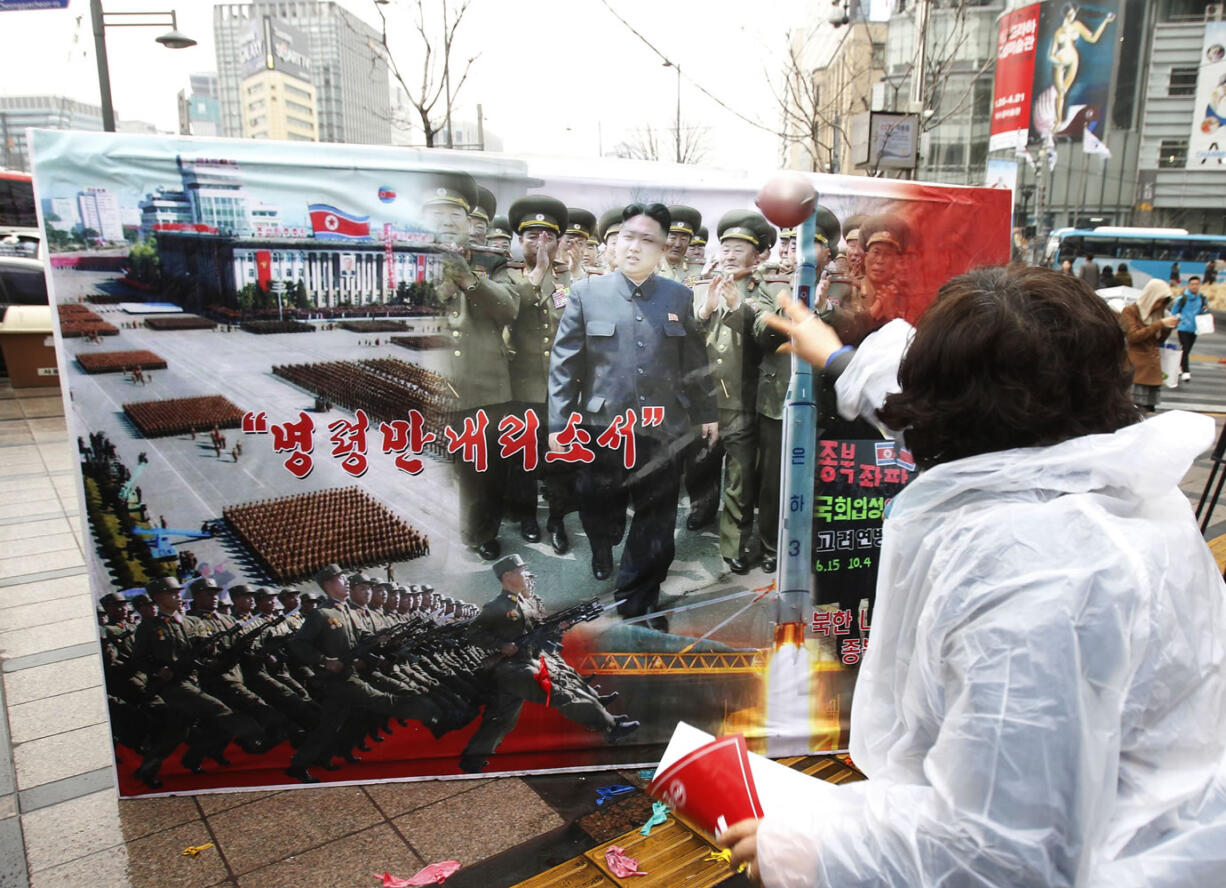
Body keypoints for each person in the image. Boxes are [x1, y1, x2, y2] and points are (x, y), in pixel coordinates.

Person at [719, 265, 1226, 887]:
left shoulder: (1033, 579)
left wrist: (805, 846)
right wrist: (844, 358)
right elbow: (981, 405)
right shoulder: (1098, 468)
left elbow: (998, 851)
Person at [548, 203, 717, 624]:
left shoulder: (678, 296)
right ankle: (603, 545)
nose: (635, 246)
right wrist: (558, 423)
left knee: (657, 520)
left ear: (661, 249)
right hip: (602, 426)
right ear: (615, 242)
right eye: (628, 236)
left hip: (663, 428)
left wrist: (706, 411)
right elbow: (565, 363)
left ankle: (637, 600)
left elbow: (694, 360)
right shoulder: (587, 293)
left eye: (648, 240)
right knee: (599, 501)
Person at [458, 554, 638, 773]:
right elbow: (472, 633)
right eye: (521, 571)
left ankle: (472, 761)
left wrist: (558, 627)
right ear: (507, 576)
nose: (525, 575)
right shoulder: (496, 606)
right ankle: (609, 727)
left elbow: (536, 630)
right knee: (562, 695)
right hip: (514, 670)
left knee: (501, 719)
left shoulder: (522, 602)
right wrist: (501, 645)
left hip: (527, 662)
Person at [421, 171, 520, 561]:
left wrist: (469, 281)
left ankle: (482, 532)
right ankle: (450, 526)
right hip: (437, 383)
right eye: (437, 213)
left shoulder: (490, 260)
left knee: (488, 468)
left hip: (486, 386)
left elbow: (510, 308)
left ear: (468, 221)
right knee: (449, 466)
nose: (446, 222)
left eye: (454, 215)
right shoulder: (405, 259)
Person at [504, 195, 574, 551]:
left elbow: (569, 320)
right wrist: (535, 274)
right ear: (520, 240)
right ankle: (528, 516)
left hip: (559, 387)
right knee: (523, 458)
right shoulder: (508, 275)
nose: (540, 243)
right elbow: (511, 312)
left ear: (558, 240)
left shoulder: (566, 278)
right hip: (522, 382)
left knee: (560, 457)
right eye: (532, 236)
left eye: (548, 236)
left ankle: (558, 521)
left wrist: (552, 274)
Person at [1049, 3, 1116, 128]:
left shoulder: (1077, 26)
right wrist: (1056, 61)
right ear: (1065, 15)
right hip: (1059, 62)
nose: (1072, 16)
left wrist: (1105, 22)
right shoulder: (1058, 31)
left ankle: (1060, 120)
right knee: (1060, 93)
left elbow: (1092, 38)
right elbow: (1051, 54)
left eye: (1073, 13)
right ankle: (1057, 121)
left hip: (1073, 59)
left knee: (1064, 91)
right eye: (1069, 14)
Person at [1120, 279, 1178, 411]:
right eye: (1158, 301)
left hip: (1153, 369)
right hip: (1137, 370)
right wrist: (1160, 324)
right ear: (1151, 297)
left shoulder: (1157, 314)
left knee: (1148, 411)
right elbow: (1133, 336)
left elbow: (1159, 340)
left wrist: (1167, 328)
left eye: (1162, 303)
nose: (1158, 305)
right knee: (1133, 409)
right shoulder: (1130, 311)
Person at [1173, 275, 1210, 382]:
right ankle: (1186, 371)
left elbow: (1204, 312)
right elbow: (1174, 312)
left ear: (1200, 285)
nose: (1194, 286)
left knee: (1187, 350)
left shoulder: (1203, 298)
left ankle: (1179, 367)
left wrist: (1204, 310)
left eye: (1196, 284)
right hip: (1183, 327)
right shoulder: (1182, 298)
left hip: (1194, 328)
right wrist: (1179, 319)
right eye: (1192, 284)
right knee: (1185, 348)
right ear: (1188, 285)